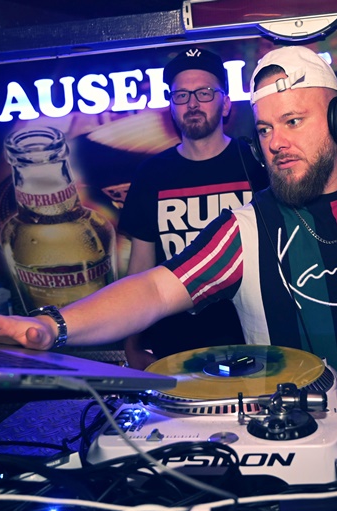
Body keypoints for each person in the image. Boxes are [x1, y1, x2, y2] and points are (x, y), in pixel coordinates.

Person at [0, 46, 337, 391]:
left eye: (293, 122)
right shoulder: (246, 226)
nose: (275, 143)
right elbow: (155, 289)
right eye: (264, 129)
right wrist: (51, 326)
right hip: (294, 426)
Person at [118, 47, 267, 369]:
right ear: (171, 106)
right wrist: (132, 344)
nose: (193, 103)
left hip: (253, 342)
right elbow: (140, 267)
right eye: (181, 95)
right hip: (174, 347)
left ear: (225, 104)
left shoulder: (258, 163)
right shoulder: (151, 173)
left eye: (204, 92)